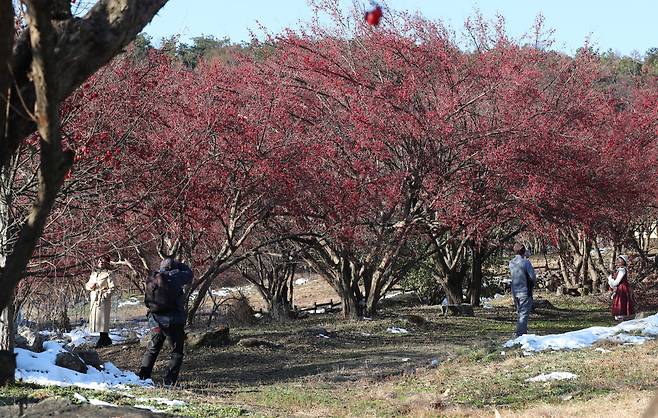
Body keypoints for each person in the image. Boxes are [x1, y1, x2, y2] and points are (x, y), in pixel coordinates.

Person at [138, 257, 193, 386]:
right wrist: (181, 265)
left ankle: (143, 377)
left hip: (156, 320)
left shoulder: (152, 278)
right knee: (176, 352)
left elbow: (147, 301)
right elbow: (189, 274)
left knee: (153, 348)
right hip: (174, 321)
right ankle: (169, 381)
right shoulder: (177, 277)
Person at [85, 256, 116, 347]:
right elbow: (87, 285)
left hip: (103, 299)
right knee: (96, 319)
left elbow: (113, 287)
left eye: (102, 261)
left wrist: (105, 296)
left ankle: (104, 338)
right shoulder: (94, 274)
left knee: (103, 319)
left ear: (106, 262)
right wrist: (90, 286)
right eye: (99, 261)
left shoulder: (109, 274)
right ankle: (104, 338)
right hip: (94, 298)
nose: (100, 262)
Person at [509, 243, 536, 337]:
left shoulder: (511, 263)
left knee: (520, 313)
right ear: (523, 251)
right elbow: (532, 277)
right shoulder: (526, 262)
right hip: (525, 291)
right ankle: (520, 335)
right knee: (523, 314)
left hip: (514, 291)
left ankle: (521, 331)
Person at [608, 255, 635, 321]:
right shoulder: (619, 270)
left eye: (621, 261)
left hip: (622, 288)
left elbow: (616, 282)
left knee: (621, 301)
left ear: (624, 262)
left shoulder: (622, 270)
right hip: (621, 287)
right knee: (619, 301)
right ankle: (620, 315)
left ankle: (621, 315)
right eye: (618, 261)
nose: (619, 262)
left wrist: (610, 280)